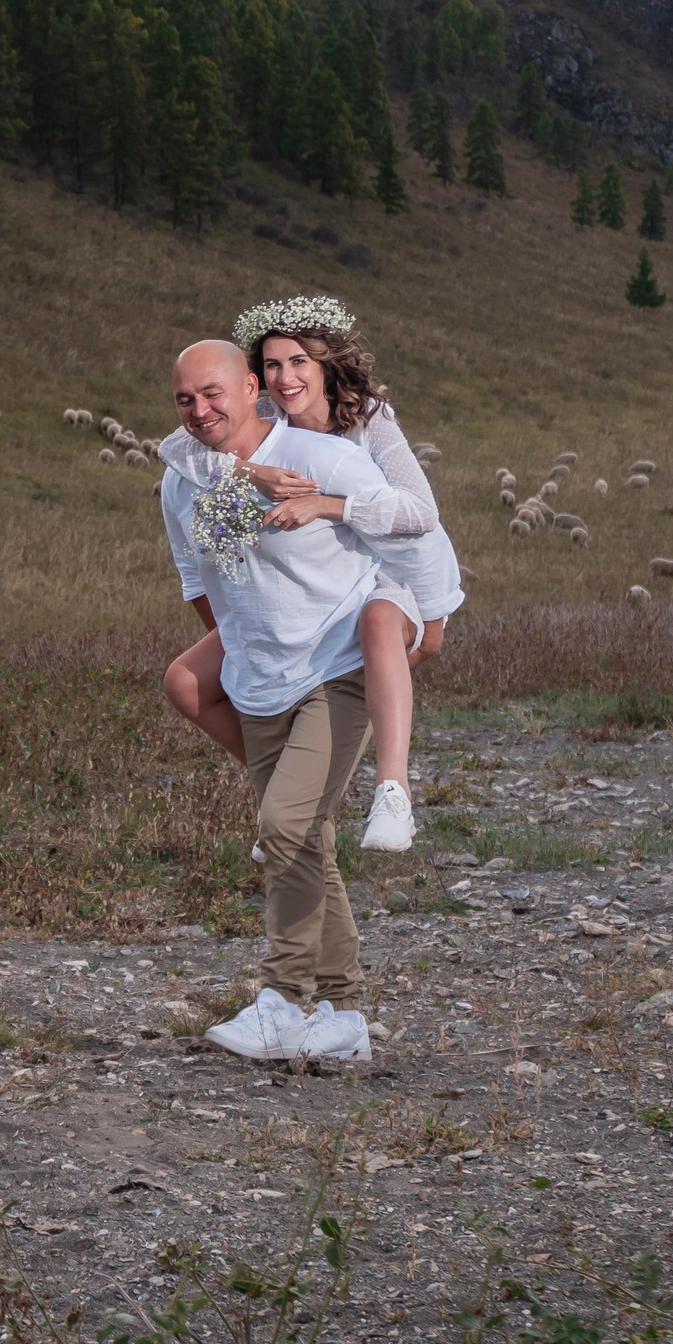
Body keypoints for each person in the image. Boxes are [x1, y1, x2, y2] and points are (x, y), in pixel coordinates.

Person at [162, 296, 462, 856]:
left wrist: (326, 505)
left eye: (299, 361)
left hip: (398, 574)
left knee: (375, 624)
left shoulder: (369, 420)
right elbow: (175, 446)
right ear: (255, 380)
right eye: (272, 365)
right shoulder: (268, 424)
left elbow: (420, 515)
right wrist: (250, 470)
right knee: (184, 680)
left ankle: (392, 792)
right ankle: (295, 795)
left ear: (325, 363)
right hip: (333, 578)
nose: (286, 377)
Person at [159, 338, 384, 1062]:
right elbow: (204, 591)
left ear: (253, 385)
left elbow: (408, 524)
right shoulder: (181, 483)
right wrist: (251, 649)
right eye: (186, 399)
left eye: (213, 393)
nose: (200, 410)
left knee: (284, 825)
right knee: (306, 839)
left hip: (338, 671)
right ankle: (345, 1018)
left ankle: (283, 999)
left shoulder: (319, 458)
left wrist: (417, 630)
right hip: (261, 687)